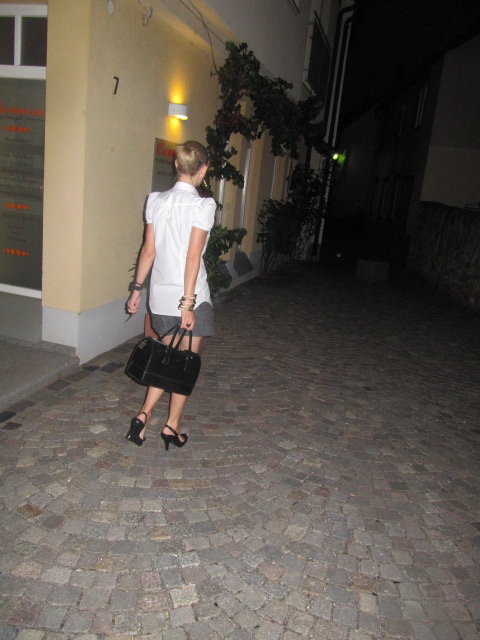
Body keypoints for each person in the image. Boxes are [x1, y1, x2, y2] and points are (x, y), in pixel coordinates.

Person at [125, 140, 215, 450]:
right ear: (203, 169)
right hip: (191, 298)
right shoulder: (202, 206)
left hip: (160, 298)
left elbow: (148, 251)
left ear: (177, 165)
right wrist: (188, 304)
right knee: (184, 363)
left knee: (169, 359)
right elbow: (192, 257)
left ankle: (143, 417)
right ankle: (170, 426)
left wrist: (137, 289)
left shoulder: (156, 201)